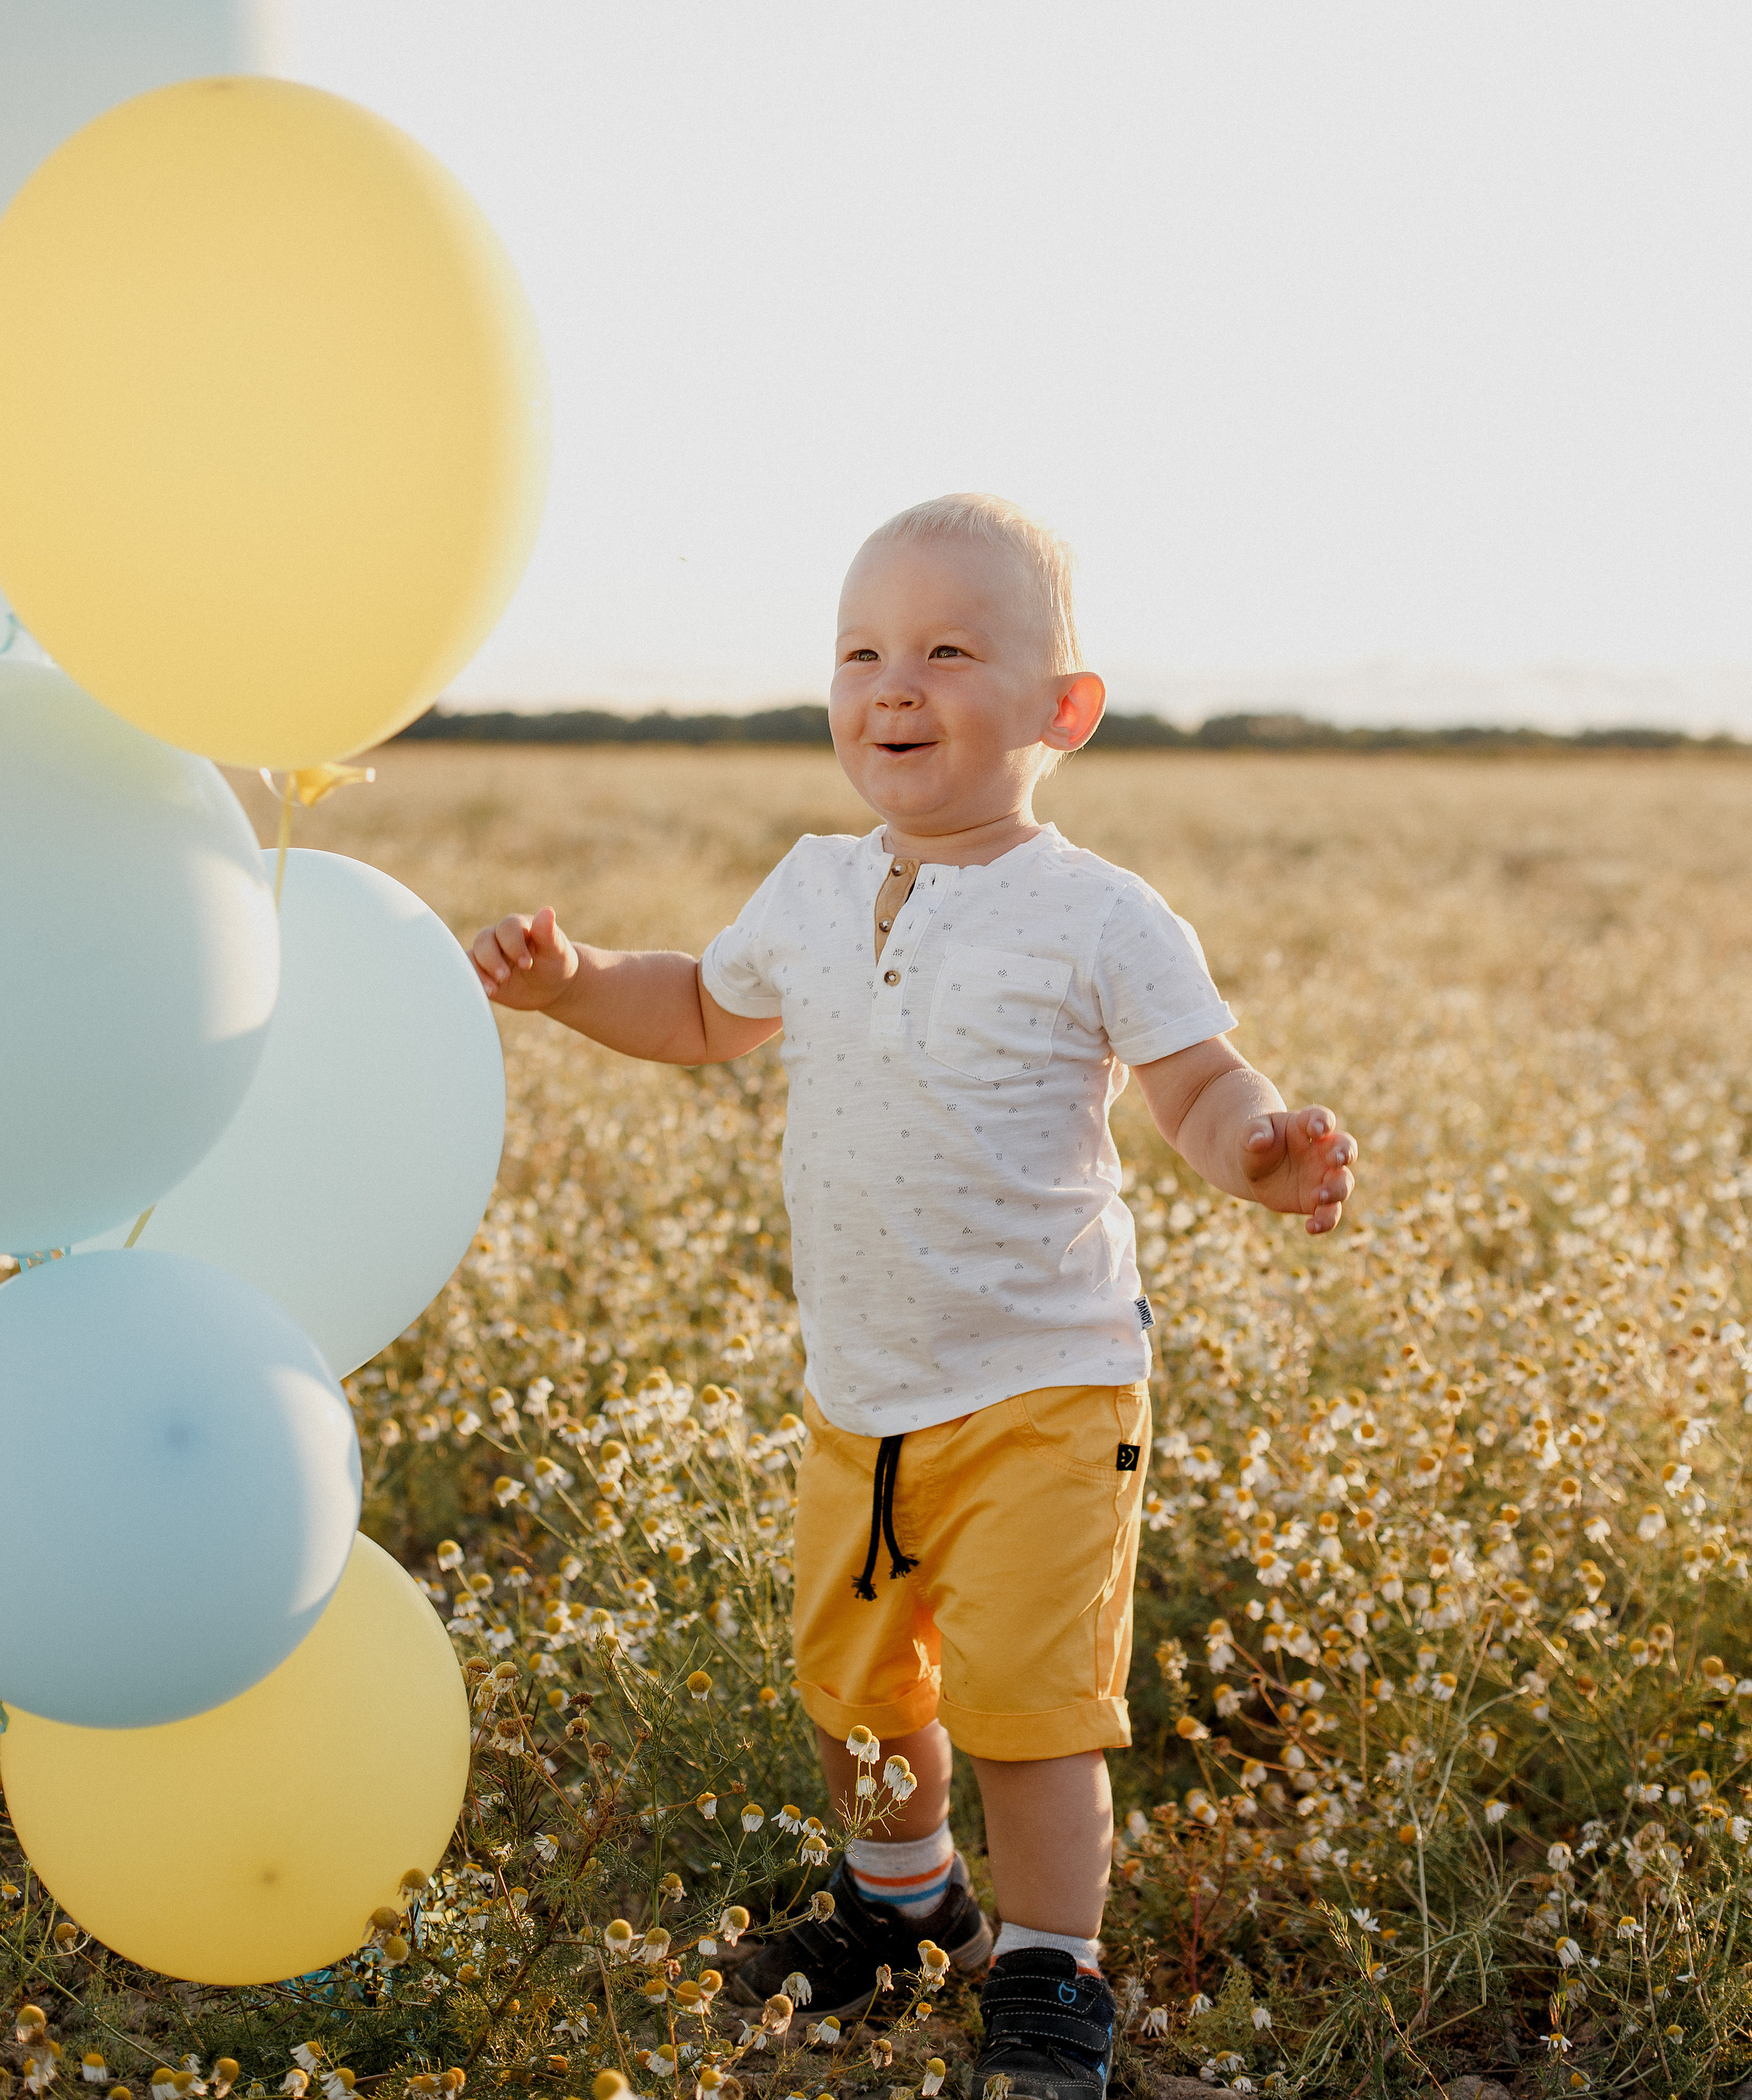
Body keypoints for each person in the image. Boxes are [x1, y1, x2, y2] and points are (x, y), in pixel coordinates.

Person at [471, 493, 1357, 2100]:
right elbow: (696, 1010)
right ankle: (904, 1914)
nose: (894, 683)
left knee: (1028, 1713)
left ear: (1059, 712)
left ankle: (1046, 1972)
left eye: (949, 650)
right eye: (862, 651)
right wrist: (570, 982)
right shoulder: (810, 888)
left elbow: (1196, 1084)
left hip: (1045, 1386)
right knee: (853, 1694)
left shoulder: (1101, 913)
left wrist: (1262, 1149)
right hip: (861, 1392)